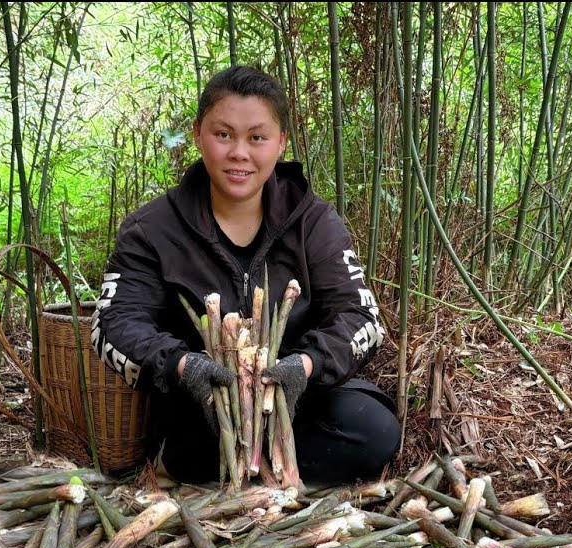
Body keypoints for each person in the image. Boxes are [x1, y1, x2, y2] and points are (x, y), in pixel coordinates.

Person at [91, 65, 399, 486]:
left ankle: (239, 469)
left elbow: (361, 318)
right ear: (198, 134)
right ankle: (226, 465)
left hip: (298, 398)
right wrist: (183, 366)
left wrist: (306, 365)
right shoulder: (153, 229)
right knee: (193, 439)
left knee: (374, 432)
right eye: (223, 135)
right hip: (204, 405)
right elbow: (114, 325)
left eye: (257, 137)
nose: (240, 152)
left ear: (281, 143)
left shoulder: (313, 221)